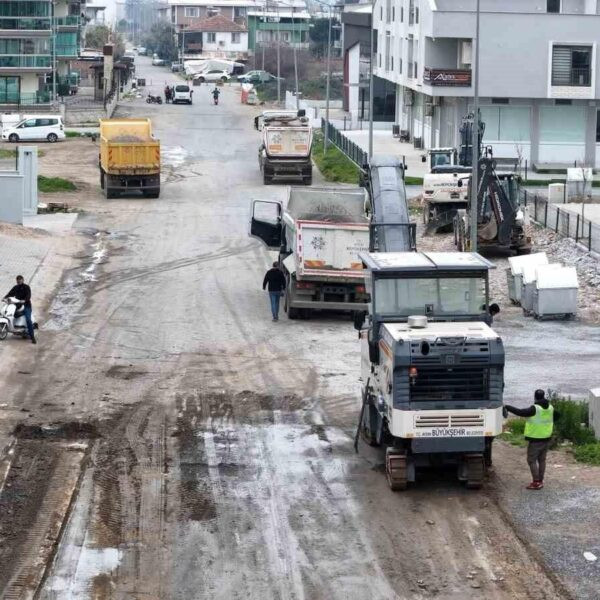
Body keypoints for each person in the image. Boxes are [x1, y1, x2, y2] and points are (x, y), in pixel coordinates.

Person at [504, 390, 560, 490]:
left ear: (535, 397)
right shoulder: (551, 408)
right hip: (546, 438)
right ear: (543, 396)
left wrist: (507, 407)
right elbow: (558, 415)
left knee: (531, 460)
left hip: (536, 439)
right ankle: (540, 480)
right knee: (542, 460)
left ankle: (536, 482)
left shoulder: (535, 409)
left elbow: (520, 412)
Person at [4, 275, 36, 344]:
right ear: (16, 281)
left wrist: (24, 300)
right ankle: (15, 329)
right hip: (18, 306)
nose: (19, 281)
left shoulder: (26, 287)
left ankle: (32, 336)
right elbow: (10, 293)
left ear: (23, 280)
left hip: (26, 306)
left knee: (28, 319)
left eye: (20, 280)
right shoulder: (16, 287)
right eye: (17, 280)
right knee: (11, 314)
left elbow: (28, 295)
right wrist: (5, 298)